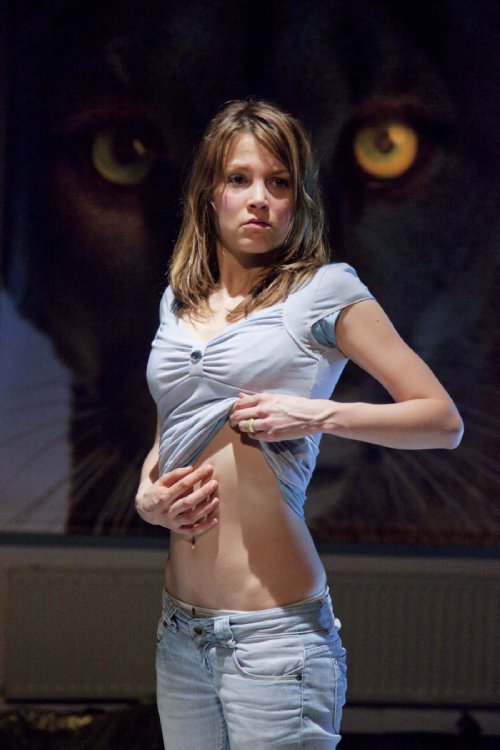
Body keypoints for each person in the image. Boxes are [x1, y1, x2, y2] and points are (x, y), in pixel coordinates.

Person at [136, 99, 463, 749]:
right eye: (240, 179)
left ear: (298, 199)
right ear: (209, 195)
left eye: (279, 181)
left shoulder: (324, 290)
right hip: (181, 633)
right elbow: (170, 429)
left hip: (274, 640)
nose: (259, 198)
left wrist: (317, 413)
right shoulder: (179, 300)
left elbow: (442, 419)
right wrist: (148, 496)